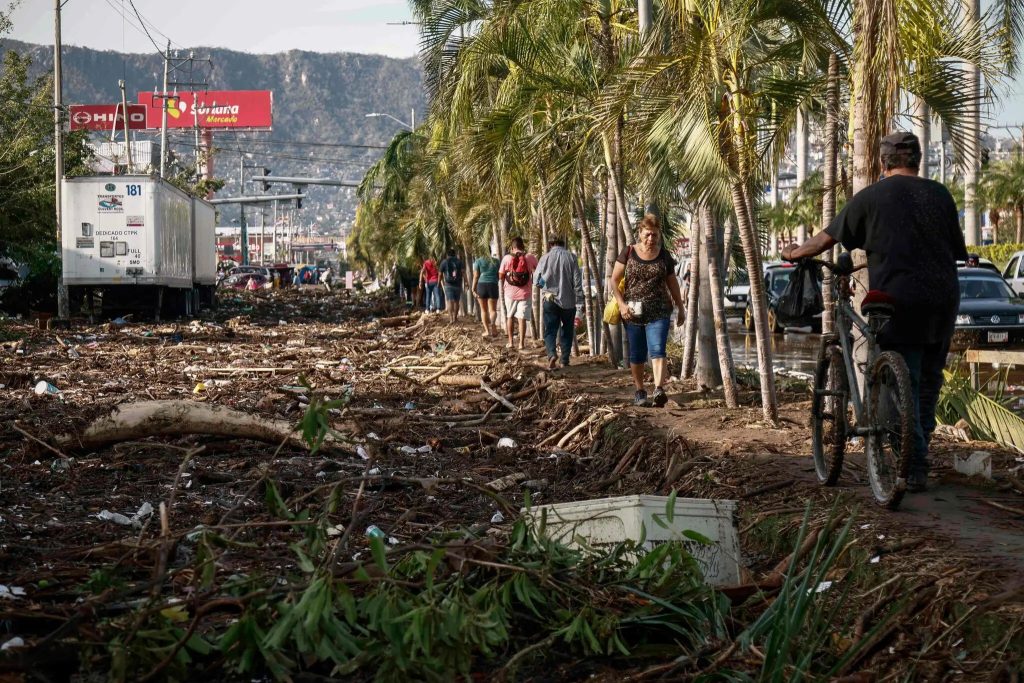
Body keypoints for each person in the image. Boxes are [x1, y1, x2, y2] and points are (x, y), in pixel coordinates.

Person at [782, 131, 967, 493]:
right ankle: (918, 456)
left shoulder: (871, 196)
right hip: (944, 299)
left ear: (883, 162)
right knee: (928, 381)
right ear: (917, 160)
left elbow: (825, 240)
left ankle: (910, 464)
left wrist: (793, 253)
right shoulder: (940, 195)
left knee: (907, 382)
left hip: (897, 300)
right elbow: (957, 251)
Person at [609, 213, 685, 407]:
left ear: (659, 235)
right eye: (647, 234)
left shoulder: (664, 256)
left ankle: (659, 389)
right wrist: (621, 304)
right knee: (637, 354)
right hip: (632, 312)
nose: (651, 238)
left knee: (658, 349)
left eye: (654, 235)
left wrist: (681, 307)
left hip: (659, 311)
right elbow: (614, 280)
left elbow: (672, 283)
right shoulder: (628, 252)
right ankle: (640, 391)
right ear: (640, 233)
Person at [534, 237, 585, 369]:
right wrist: (579, 302)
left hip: (550, 299)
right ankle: (564, 360)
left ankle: (551, 354)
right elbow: (577, 283)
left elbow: (537, 281)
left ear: (550, 244)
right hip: (568, 301)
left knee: (550, 330)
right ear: (564, 244)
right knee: (567, 330)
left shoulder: (544, 258)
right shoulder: (572, 258)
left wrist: (546, 286)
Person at [499, 237, 539, 350]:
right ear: (523, 247)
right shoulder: (529, 257)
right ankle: (521, 344)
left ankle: (511, 342)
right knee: (522, 318)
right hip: (525, 293)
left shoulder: (507, 258)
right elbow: (538, 269)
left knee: (510, 316)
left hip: (509, 293)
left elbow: (501, 275)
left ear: (512, 248)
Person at [473, 251, 501, 337]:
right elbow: (498, 275)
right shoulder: (496, 261)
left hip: (481, 285)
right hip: (493, 285)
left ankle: (487, 331)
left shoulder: (478, 261)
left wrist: (473, 288)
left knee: (483, 310)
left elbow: (476, 276)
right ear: (490, 251)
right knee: (492, 310)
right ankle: (492, 324)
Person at [439, 249, 465, 324]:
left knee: (450, 301)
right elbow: (463, 272)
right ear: (455, 254)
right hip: (458, 284)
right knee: (457, 301)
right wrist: (466, 282)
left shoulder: (444, 262)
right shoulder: (459, 261)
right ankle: (455, 318)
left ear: (447, 254)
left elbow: (440, 274)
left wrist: (439, 283)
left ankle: (451, 319)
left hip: (448, 285)